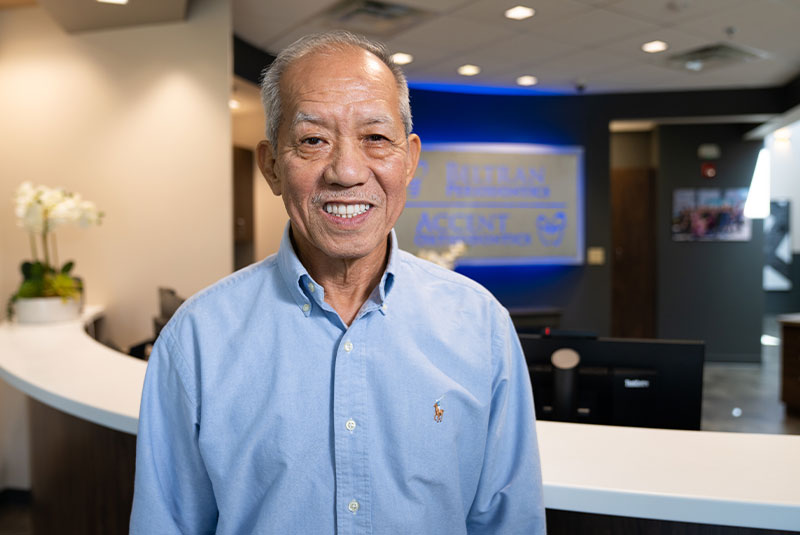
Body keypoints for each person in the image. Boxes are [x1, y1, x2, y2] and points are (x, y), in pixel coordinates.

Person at [130, 30, 546, 534]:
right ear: (271, 166)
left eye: (376, 138)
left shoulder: (481, 326)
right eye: (313, 140)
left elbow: (508, 523)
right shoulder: (197, 339)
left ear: (409, 160)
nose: (347, 171)